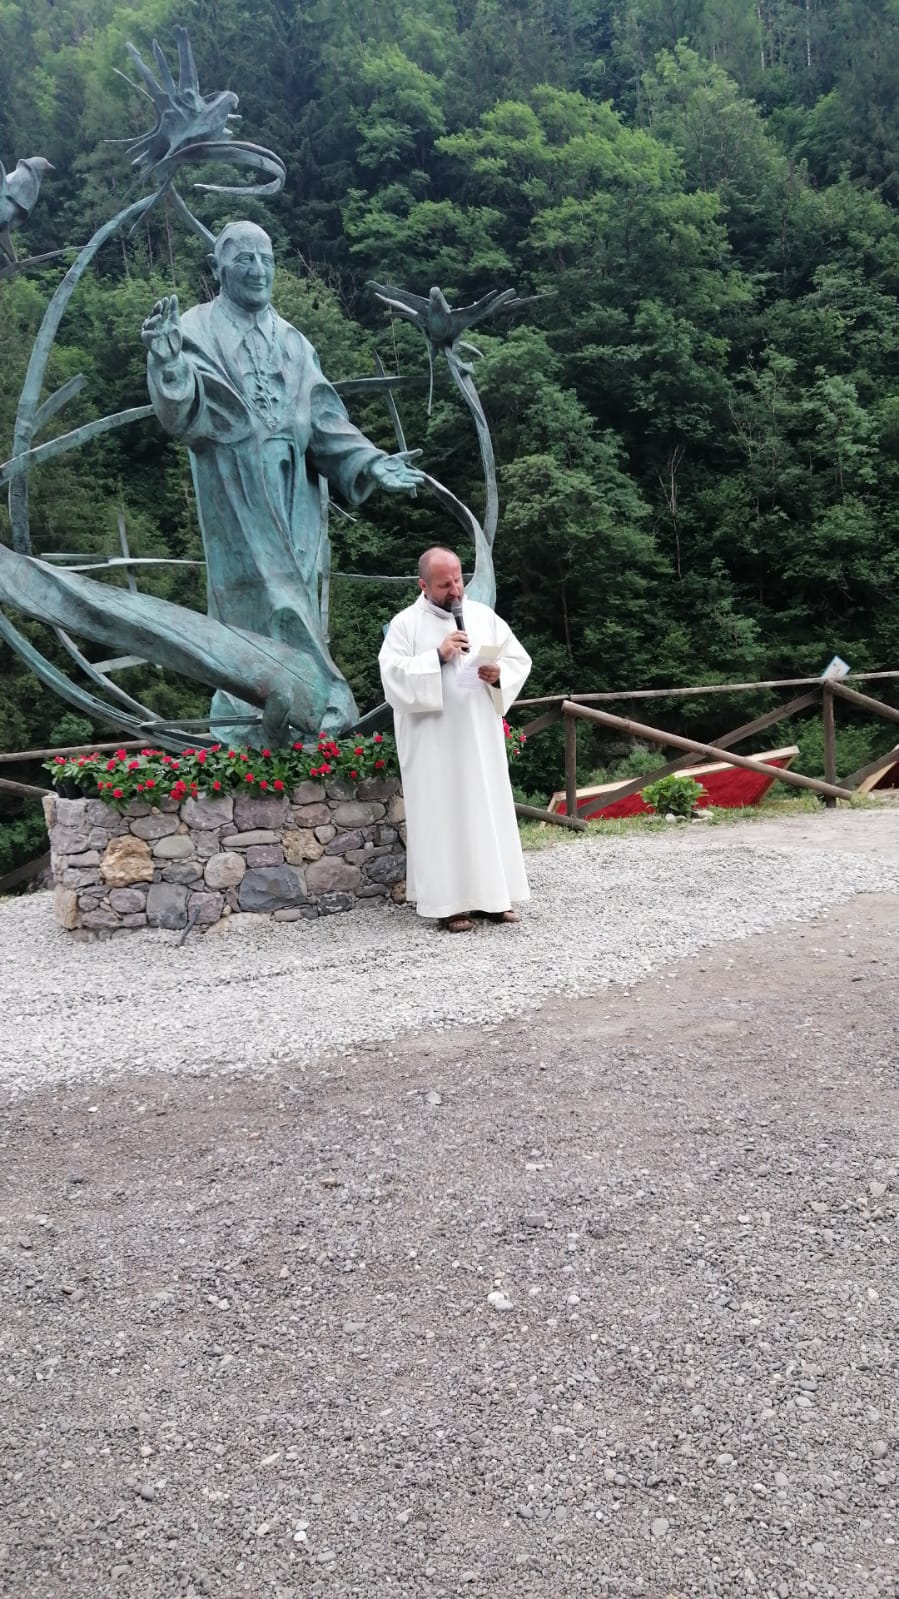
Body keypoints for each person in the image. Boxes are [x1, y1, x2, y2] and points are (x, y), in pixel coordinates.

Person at [141, 220, 422, 739]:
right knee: (249, 601)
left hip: (297, 492)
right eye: (243, 259)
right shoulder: (197, 329)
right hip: (236, 490)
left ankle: (306, 712)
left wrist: (369, 460)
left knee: (302, 597)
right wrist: (166, 360)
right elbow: (184, 414)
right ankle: (253, 715)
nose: (256, 269)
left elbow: (324, 419)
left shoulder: (293, 339)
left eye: (265, 258)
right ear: (217, 269)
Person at [379, 546, 531, 931]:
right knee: (442, 819)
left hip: (479, 742)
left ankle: (495, 899)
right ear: (423, 585)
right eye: (445, 584)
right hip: (434, 747)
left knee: (486, 813)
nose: (456, 590)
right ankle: (449, 906)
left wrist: (499, 674)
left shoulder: (482, 616)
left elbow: (518, 659)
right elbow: (392, 679)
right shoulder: (405, 625)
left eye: (458, 579)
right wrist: (436, 656)